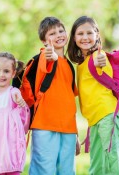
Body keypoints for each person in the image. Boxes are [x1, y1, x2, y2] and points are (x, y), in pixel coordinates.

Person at [67, 15, 119, 175]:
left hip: (108, 116)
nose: (85, 37)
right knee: (97, 166)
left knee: (113, 162)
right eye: (80, 34)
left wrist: (100, 60)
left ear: (97, 35)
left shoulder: (98, 56)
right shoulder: (81, 65)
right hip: (94, 120)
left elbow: (101, 62)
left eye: (89, 33)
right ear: (73, 37)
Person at [21, 17, 80, 175]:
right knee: (44, 169)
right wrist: (51, 55)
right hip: (44, 125)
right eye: (52, 33)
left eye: (61, 31)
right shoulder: (44, 56)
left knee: (67, 170)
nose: (59, 35)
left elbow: (69, 101)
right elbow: (48, 59)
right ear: (44, 41)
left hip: (68, 128)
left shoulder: (68, 65)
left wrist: (76, 134)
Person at [0, 52, 30, 175]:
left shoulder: (13, 92)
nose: (1, 75)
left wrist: (20, 102)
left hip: (11, 155)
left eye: (6, 71)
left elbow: (22, 113)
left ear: (13, 73)